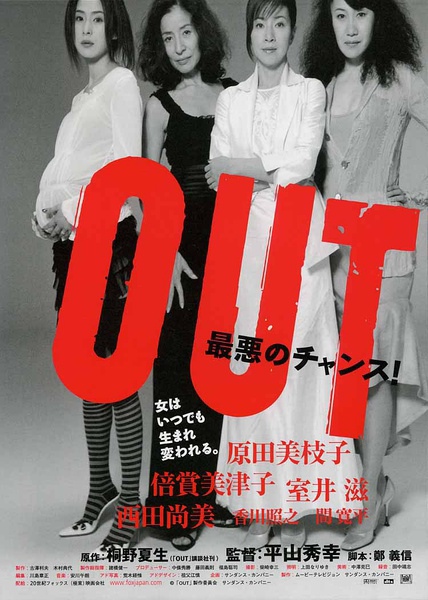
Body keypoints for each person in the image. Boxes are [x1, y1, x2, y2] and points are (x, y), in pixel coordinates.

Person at [206, 0, 362, 550]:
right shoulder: (230, 99)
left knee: (300, 362)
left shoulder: (310, 91)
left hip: (299, 238)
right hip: (247, 241)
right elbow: (216, 173)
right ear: (248, 33)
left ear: (292, 31)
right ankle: (259, 499)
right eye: (259, 24)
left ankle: (295, 500)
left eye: (279, 23)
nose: (269, 35)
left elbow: (299, 164)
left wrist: (242, 167)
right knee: (252, 363)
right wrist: (248, 169)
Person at [301, 0, 428, 550]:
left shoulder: (399, 80)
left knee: (372, 367)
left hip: (383, 244)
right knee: (346, 374)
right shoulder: (321, 86)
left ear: (381, 19)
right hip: (332, 247)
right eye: (339, 15)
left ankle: (370, 495)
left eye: (361, 13)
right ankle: (366, 482)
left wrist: (418, 195)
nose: (350, 28)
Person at [32, 0, 143, 558]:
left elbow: (126, 171)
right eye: (79, 18)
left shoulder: (122, 86)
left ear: (114, 27)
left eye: (97, 18)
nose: (86, 28)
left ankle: (133, 506)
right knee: (87, 372)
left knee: (116, 375)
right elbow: (61, 175)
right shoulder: (81, 100)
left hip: (109, 245)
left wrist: (72, 212)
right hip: (73, 248)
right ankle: (102, 489)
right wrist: (45, 216)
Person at [138, 0, 236, 550]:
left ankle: (215, 492)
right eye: (167, 37)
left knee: (221, 369)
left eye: (186, 32)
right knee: (177, 373)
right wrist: (167, 251)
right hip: (180, 252)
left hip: (231, 246)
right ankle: (177, 506)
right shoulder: (158, 107)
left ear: (203, 33)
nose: (178, 46)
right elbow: (145, 190)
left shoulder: (235, 94)